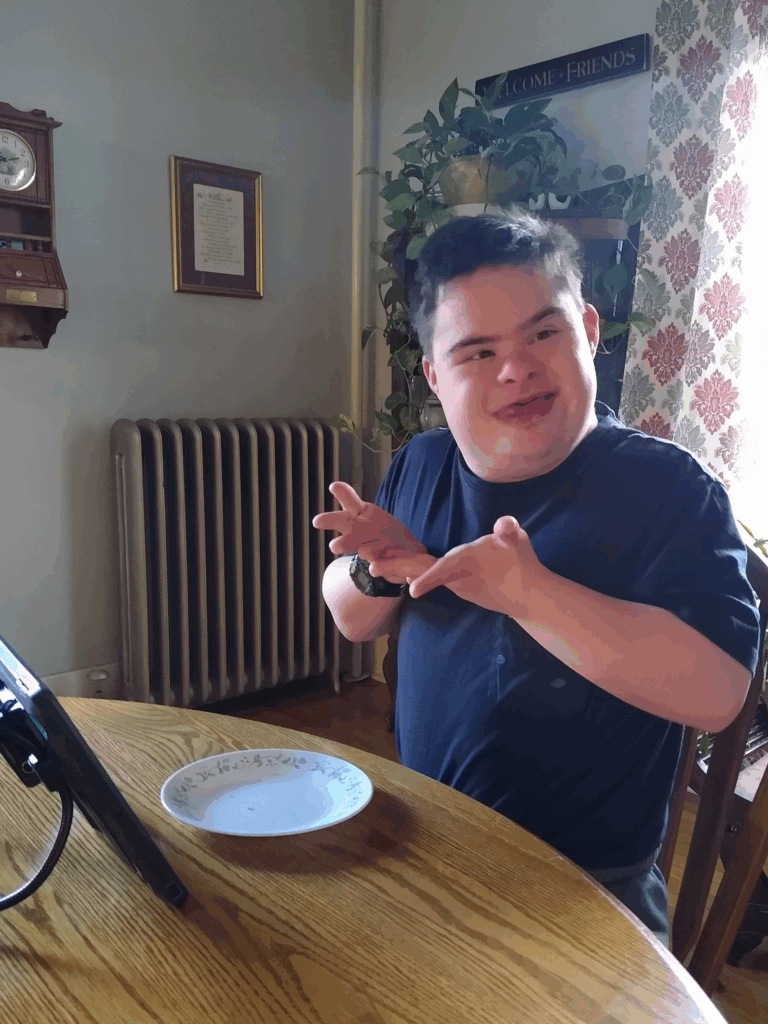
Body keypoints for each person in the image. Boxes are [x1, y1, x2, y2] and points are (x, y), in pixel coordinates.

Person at [313, 211, 761, 948]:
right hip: (429, 846)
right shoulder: (423, 464)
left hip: (588, 891)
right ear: (434, 374)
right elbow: (351, 617)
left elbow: (716, 695)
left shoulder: (665, 488)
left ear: (587, 330)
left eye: (542, 334)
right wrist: (374, 568)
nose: (515, 369)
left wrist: (528, 594)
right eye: (477, 352)